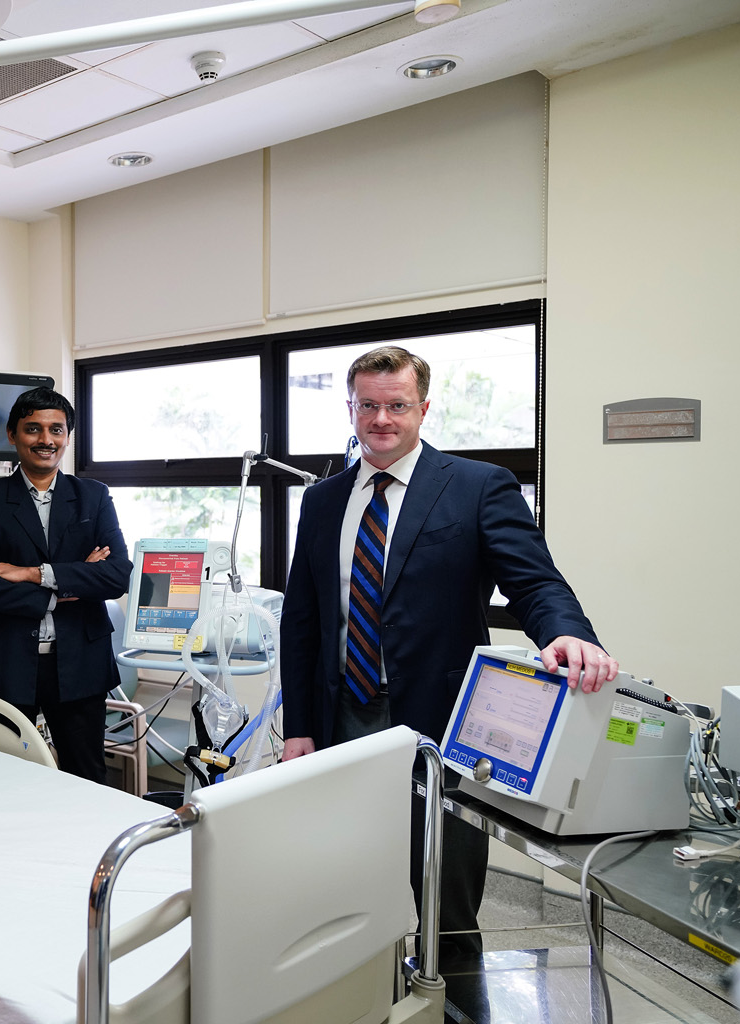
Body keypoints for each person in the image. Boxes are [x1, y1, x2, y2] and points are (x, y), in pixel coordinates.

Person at [280, 345, 617, 964]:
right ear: (350, 408)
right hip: (341, 720)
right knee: (346, 881)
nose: (381, 419)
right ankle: (362, 991)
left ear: (423, 408)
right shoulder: (323, 501)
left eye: (397, 405)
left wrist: (567, 633)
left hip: (443, 725)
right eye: (368, 405)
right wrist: (299, 726)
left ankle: (455, 995)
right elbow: (302, 621)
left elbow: (534, 582)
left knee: (445, 894)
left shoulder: (476, 486)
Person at [0, 387, 132, 782]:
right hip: (4, 661)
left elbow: (117, 575)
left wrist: (31, 573)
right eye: (33, 429)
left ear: (68, 436)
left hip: (80, 661)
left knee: (85, 777)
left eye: (56, 430)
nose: (45, 440)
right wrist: (70, 584)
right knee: (0, 777)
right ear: (12, 434)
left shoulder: (92, 496)